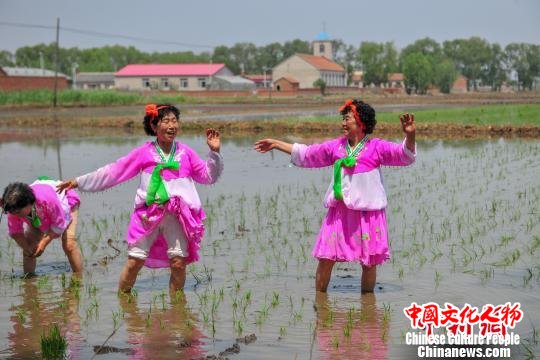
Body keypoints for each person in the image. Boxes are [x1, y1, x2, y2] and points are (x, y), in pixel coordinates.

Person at [57, 104, 223, 295]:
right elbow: (114, 172)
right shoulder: (144, 153)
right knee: (135, 261)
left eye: (175, 121)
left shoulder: (185, 153)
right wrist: (78, 182)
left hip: (178, 215)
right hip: (148, 214)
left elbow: (208, 176)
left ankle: (177, 310)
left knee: (178, 263)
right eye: (166, 121)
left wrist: (215, 153)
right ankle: (123, 300)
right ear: (154, 126)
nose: (172, 125)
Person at [254, 99, 416, 293]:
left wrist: (410, 135)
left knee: (369, 262)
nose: (343, 123)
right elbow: (307, 154)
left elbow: (404, 155)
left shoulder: (377, 147)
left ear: (361, 122)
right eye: (343, 118)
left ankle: (367, 306)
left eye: (347, 118)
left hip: (367, 213)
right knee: (325, 257)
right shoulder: (336, 147)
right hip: (339, 212)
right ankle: (320, 304)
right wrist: (276, 143)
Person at [0, 178, 83, 275]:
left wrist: (44, 243)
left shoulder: (48, 199)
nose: (15, 215)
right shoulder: (14, 208)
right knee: (29, 250)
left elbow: (59, 225)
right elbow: (16, 232)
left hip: (65, 204)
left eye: (18, 212)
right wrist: (26, 247)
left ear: (29, 203)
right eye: (12, 212)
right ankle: (29, 284)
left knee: (69, 244)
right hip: (36, 214)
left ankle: (78, 279)